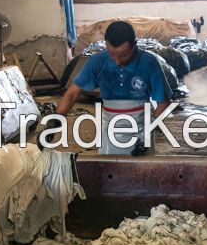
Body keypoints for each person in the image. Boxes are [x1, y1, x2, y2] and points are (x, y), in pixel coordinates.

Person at [56, 21, 170, 155]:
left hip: (141, 129)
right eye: (112, 54)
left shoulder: (148, 62)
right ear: (105, 44)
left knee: (142, 172)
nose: (117, 61)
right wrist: (55, 121)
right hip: (109, 129)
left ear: (134, 45)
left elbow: (164, 101)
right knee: (109, 170)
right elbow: (72, 93)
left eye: (123, 55)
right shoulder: (97, 61)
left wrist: (146, 135)